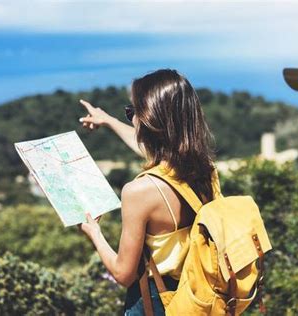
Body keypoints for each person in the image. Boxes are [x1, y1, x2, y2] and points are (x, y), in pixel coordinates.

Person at [77, 69, 219, 315]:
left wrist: (95, 233)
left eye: (132, 113)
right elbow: (156, 149)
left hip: (155, 300)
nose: (131, 119)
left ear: (149, 122)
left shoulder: (139, 192)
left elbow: (123, 273)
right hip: (198, 295)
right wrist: (109, 120)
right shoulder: (205, 171)